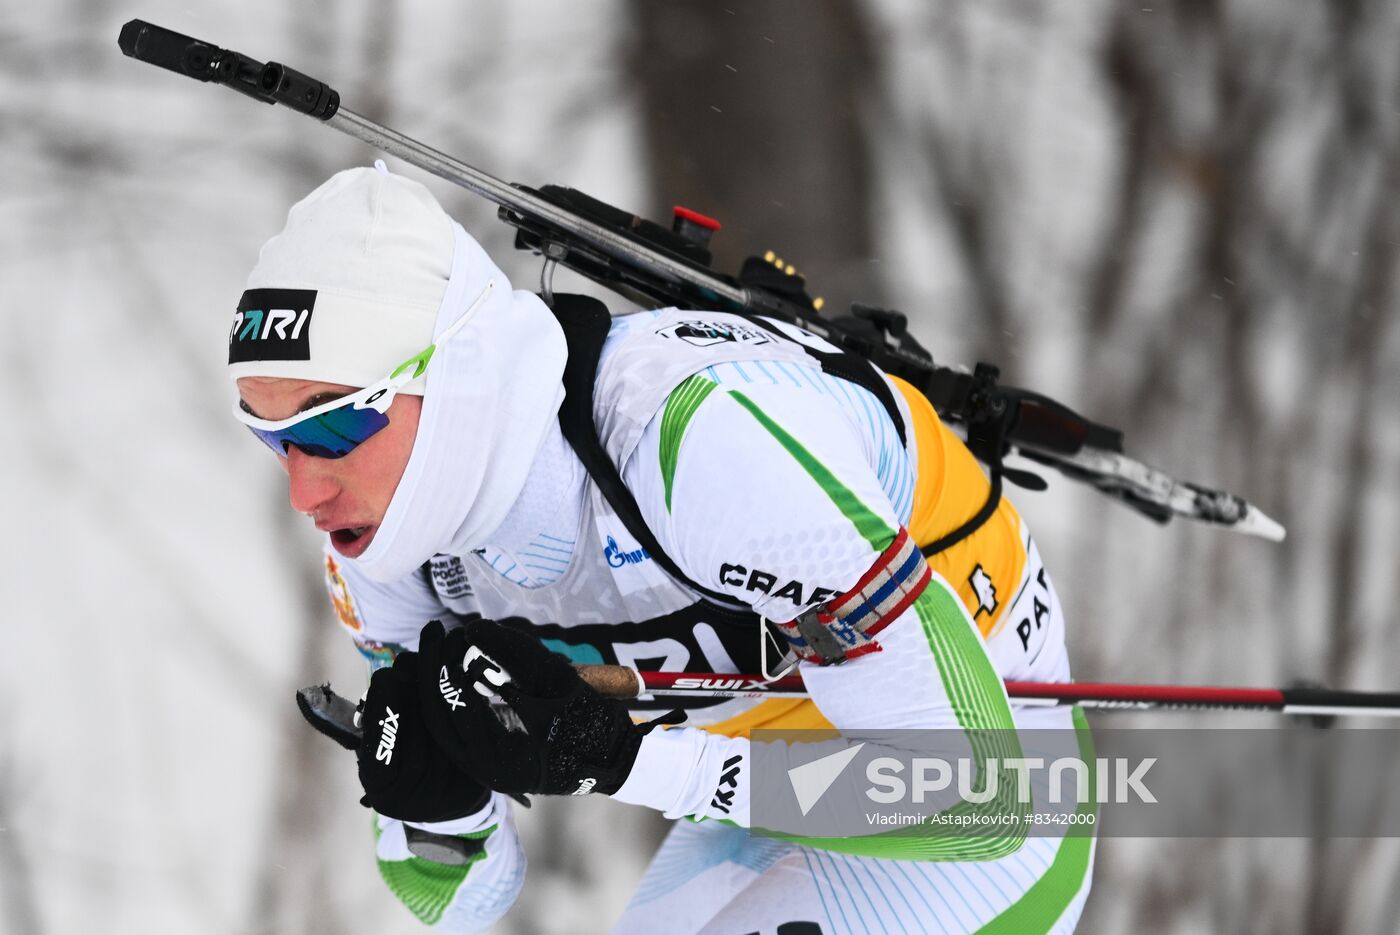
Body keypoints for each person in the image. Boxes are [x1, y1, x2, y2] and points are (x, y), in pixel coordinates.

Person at [229, 162, 1096, 934]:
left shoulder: (697, 446)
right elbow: (460, 900)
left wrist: (620, 754)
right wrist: (442, 809)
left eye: (337, 422)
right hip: (763, 789)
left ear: (454, 373)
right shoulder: (381, 540)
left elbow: (974, 803)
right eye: (276, 440)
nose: (305, 491)